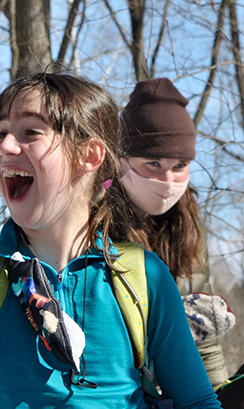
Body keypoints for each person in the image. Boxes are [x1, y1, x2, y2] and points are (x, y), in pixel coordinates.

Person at [0, 72, 221, 408]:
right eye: (0, 133)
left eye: (30, 132)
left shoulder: (143, 275)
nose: (3, 145)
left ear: (90, 156)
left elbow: (197, 402)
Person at [120, 77, 231, 389]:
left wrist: (220, 393)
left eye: (180, 165)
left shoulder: (187, 225)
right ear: (122, 159)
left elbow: (204, 344)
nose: (167, 179)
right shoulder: (93, 222)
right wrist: (165, 321)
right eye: (153, 162)